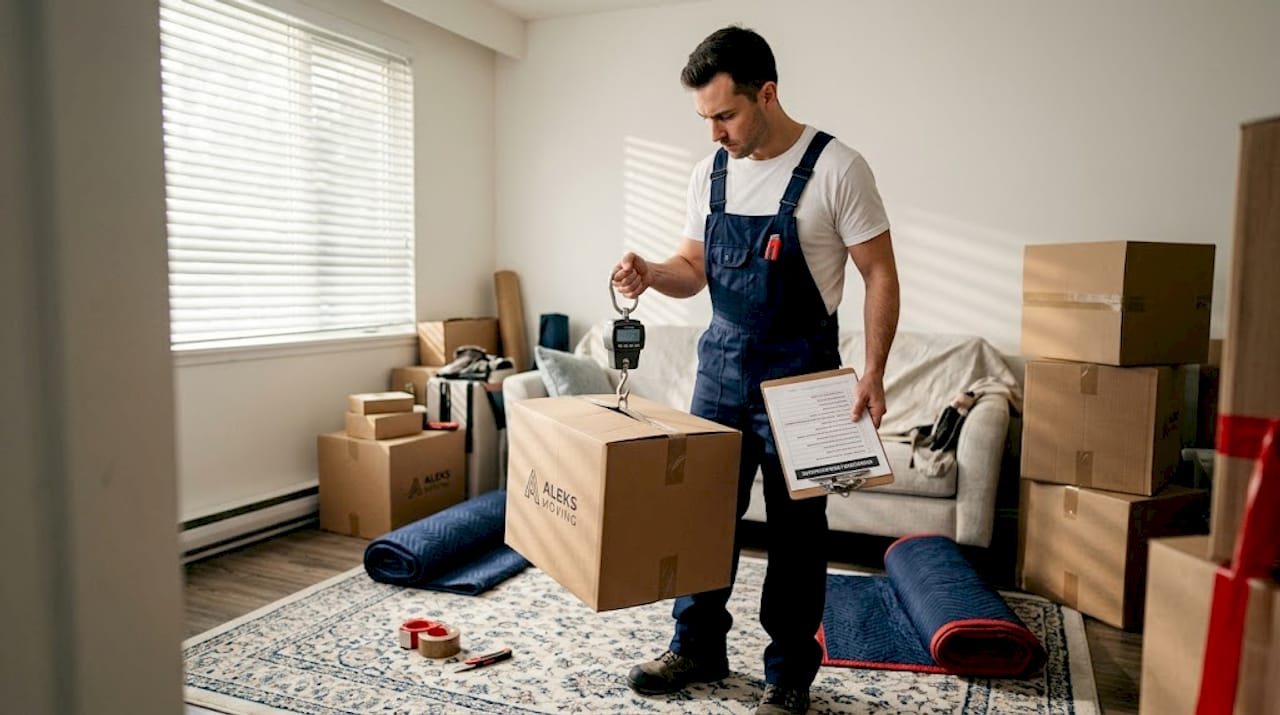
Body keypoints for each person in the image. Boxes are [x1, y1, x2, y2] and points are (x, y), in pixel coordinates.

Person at [610, 25, 900, 715]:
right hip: (720, 370)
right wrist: (652, 273)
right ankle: (698, 643)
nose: (714, 132)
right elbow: (694, 271)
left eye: (724, 114)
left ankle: (789, 672)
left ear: (766, 93)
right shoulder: (708, 173)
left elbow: (880, 273)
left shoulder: (837, 167)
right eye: (704, 118)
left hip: (803, 375)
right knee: (702, 517)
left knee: (799, 537)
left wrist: (874, 370)